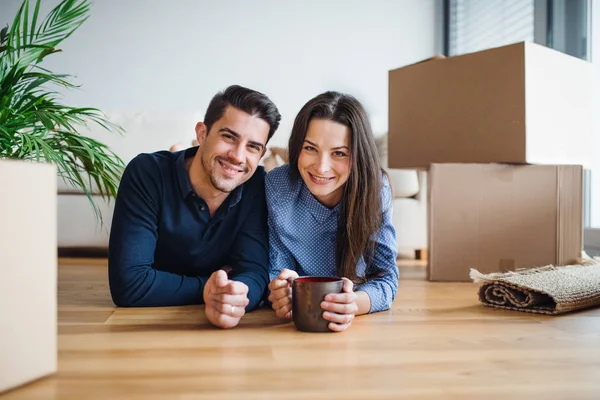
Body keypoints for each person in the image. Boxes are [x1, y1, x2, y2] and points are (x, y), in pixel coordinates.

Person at [108, 85, 281, 329]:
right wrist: (208, 288)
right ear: (202, 133)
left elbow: (254, 274)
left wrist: (235, 292)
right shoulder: (146, 173)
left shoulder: (256, 185)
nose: (238, 156)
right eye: (228, 137)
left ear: (262, 153)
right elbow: (130, 284)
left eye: (252, 146)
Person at [266, 91, 399, 332]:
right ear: (297, 147)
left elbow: (387, 279)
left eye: (339, 153)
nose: (321, 166)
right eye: (310, 148)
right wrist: (278, 290)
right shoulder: (277, 185)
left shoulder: (376, 189)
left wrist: (353, 304)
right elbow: (276, 265)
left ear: (357, 156)